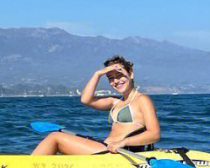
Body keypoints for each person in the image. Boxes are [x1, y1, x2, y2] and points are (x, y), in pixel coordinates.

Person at [31, 55, 160, 156]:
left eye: (120, 75)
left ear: (130, 74)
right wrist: (97, 74)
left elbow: (154, 134)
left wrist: (123, 142)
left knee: (55, 137)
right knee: (55, 138)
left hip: (119, 153)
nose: (116, 81)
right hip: (106, 149)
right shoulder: (115, 102)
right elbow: (86, 99)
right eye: (110, 78)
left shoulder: (142, 100)